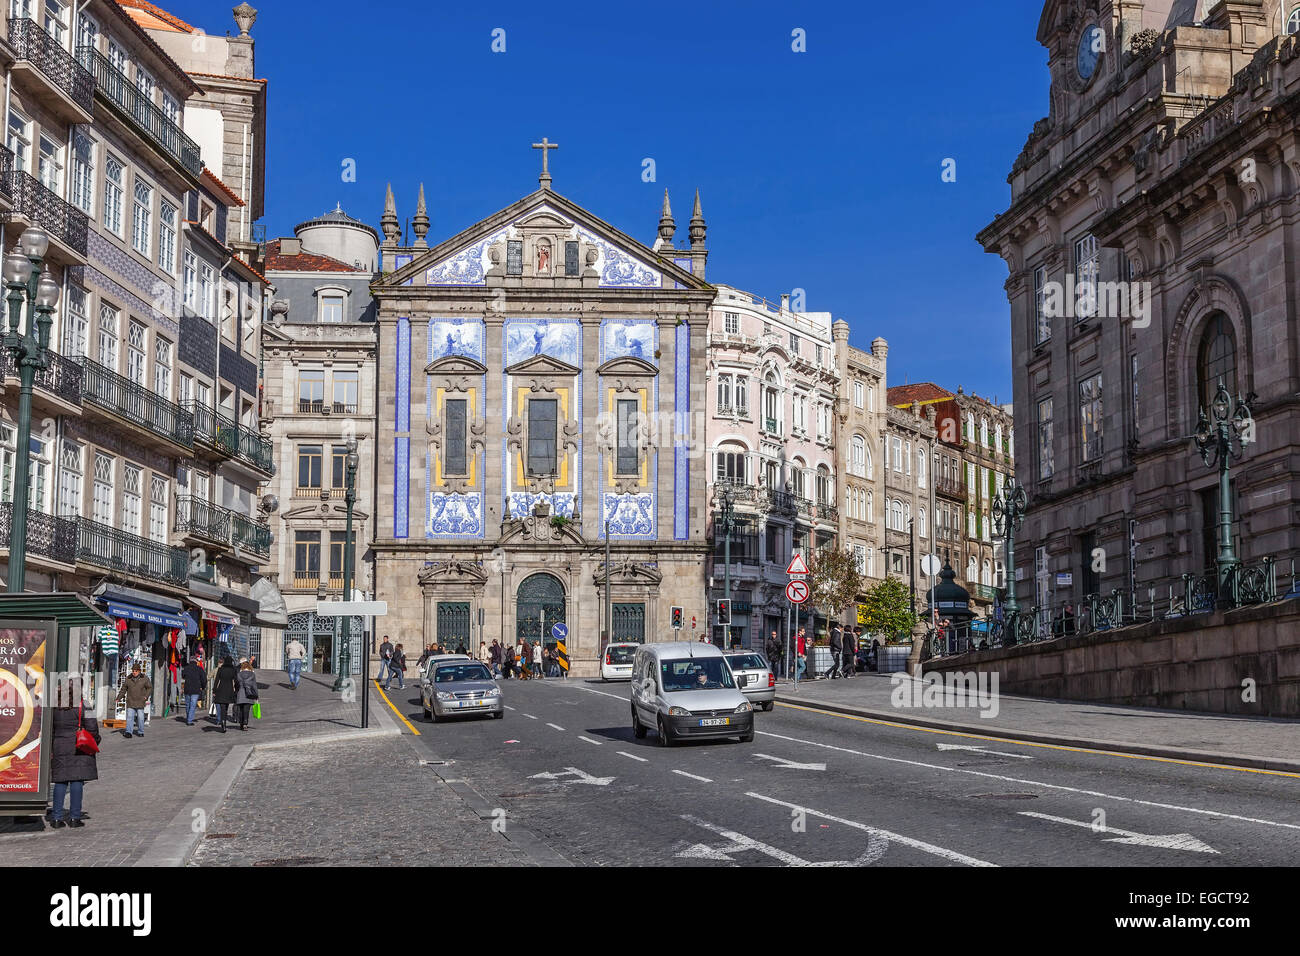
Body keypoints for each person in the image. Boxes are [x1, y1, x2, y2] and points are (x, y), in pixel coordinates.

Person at [49, 685, 100, 829]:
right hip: (78, 745)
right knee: (77, 780)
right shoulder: (83, 705)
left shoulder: (54, 707)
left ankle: (56, 818)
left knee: (60, 781)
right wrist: (96, 740)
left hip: (59, 744)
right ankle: (74, 818)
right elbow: (92, 727)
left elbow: (50, 727)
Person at [116, 662, 152, 739]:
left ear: (139, 671)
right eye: (133, 671)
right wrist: (119, 698)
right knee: (129, 717)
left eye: (135, 671)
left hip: (140, 701)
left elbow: (149, 688)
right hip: (131, 701)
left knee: (140, 717)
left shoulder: (144, 678)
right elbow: (123, 689)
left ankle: (140, 731)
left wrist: (146, 696)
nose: (134, 672)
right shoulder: (128, 679)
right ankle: (128, 732)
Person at [212, 656, 239, 733]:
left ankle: (223, 722)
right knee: (226, 707)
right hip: (229, 690)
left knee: (222, 707)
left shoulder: (220, 669)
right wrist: (236, 689)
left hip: (221, 690)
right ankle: (224, 722)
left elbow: (216, 681)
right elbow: (236, 681)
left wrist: (214, 690)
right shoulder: (233, 670)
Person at [234, 659, 259, 731]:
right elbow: (254, 686)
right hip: (249, 694)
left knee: (241, 709)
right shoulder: (252, 674)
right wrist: (256, 695)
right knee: (246, 710)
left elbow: (237, 684)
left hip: (241, 693)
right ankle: (245, 723)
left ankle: (241, 724)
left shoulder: (239, 674)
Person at [181, 656, 205, 726]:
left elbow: (183, 676)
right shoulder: (199, 669)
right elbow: (204, 679)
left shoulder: (186, 668)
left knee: (188, 704)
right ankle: (189, 720)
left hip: (187, 689)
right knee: (193, 705)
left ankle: (189, 718)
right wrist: (203, 687)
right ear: (196, 661)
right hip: (195, 689)